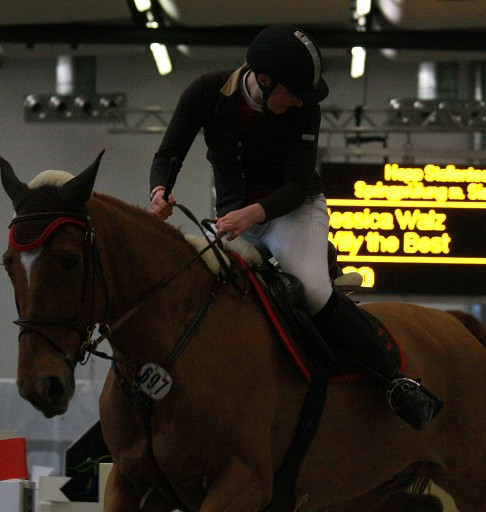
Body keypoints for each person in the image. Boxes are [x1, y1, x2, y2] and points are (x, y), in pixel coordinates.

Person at [148, 24, 440, 430]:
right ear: (264, 81)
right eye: (295, 91)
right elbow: (169, 153)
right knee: (201, 288)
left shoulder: (304, 109)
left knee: (315, 290)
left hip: (293, 210)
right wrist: (160, 189)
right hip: (234, 216)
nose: (300, 100)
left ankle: (395, 382)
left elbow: (296, 186)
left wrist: (252, 214)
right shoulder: (207, 91)